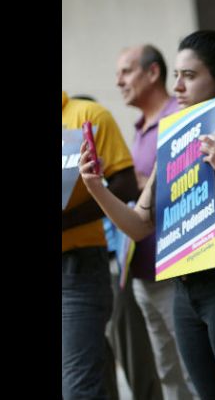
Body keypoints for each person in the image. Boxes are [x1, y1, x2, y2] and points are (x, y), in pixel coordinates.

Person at [79, 30, 215, 399]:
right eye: (176, 75)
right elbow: (139, 225)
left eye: (189, 76)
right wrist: (96, 186)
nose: (177, 86)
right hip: (186, 292)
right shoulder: (175, 137)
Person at [115, 44, 198, 399]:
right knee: (168, 372)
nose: (119, 81)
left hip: (175, 270)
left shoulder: (179, 114)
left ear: (152, 72)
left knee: (194, 371)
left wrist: (142, 183)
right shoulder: (140, 127)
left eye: (126, 71)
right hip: (142, 271)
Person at [62, 91, 138, 399]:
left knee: (77, 389)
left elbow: (126, 185)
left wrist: (65, 222)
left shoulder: (89, 116)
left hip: (77, 270)